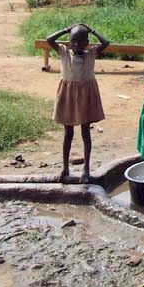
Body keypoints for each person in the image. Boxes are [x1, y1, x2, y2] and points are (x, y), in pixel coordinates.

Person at [46, 23, 109, 183]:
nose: (77, 45)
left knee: (85, 133)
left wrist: (92, 30)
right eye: (73, 41)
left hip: (86, 95)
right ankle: (65, 167)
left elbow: (106, 42)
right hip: (68, 94)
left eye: (81, 42)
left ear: (87, 42)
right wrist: (67, 29)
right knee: (68, 133)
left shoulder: (91, 53)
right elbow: (49, 39)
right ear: (69, 41)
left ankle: (86, 169)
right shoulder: (64, 52)